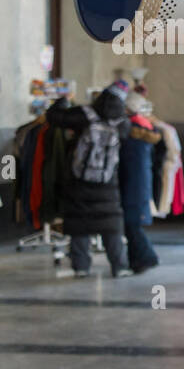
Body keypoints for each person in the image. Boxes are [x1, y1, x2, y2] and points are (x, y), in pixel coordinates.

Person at [47, 82, 133, 278]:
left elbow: (52, 117)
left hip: (79, 180)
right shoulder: (123, 122)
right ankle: (119, 267)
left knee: (79, 224)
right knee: (111, 226)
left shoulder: (84, 115)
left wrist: (63, 100)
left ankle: (81, 267)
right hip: (108, 182)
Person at [119, 90, 161, 273]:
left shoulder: (130, 131)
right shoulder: (146, 128)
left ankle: (146, 257)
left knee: (131, 223)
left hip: (133, 182)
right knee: (131, 223)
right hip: (140, 180)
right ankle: (139, 259)